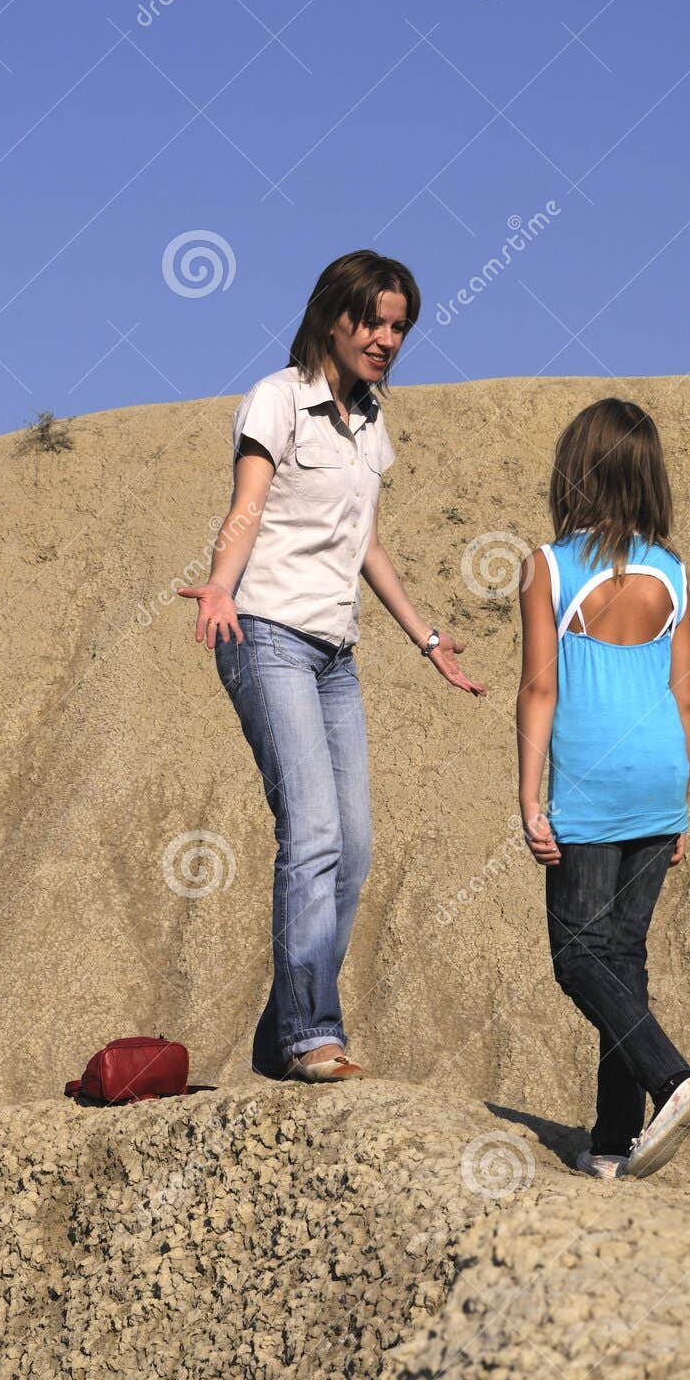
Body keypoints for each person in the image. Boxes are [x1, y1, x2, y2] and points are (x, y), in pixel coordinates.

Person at [182, 250, 485, 1083]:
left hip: (334, 655)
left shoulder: (371, 424)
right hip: (265, 635)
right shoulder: (277, 400)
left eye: (399, 327)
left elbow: (368, 547)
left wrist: (427, 641)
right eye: (374, 322)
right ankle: (312, 1032)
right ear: (332, 317)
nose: (386, 339)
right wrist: (218, 585)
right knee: (310, 833)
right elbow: (246, 506)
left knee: (354, 845)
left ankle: (283, 1026)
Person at [517, 398, 690, 1180]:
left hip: (592, 784)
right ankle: (610, 1143)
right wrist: (679, 802)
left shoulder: (549, 564)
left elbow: (539, 689)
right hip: (660, 774)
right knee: (621, 958)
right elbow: (685, 696)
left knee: (576, 956)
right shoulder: (672, 573)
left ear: (577, 470)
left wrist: (529, 798)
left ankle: (673, 1079)